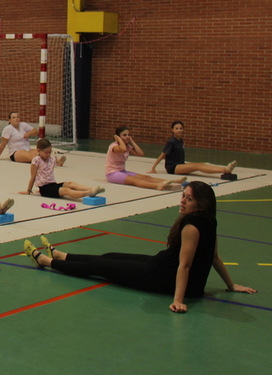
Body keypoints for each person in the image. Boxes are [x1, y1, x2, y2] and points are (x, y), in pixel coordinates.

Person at [24, 181, 257, 313]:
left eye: (188, 199)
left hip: (158, 276)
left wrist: (178, 299)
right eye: (183, 196)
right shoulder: (210, 220)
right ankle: (64, 255)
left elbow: (185, 266)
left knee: (100, 266)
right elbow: (214, 257)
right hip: (161, 264)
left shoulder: (192, 227)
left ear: (201, 205)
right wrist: (230, 285)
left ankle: (47, 261)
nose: (182, 201)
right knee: (111, 255)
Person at [21, 138, 104, 200]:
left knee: (70, 183)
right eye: (46, 152)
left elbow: (55, 162)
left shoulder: (51, 159)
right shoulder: (36, 160)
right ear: (39, 150)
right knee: (66, 191)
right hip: (44, 188)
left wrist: (59, 161)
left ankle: (92, 188)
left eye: (50, 152)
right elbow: (33, 176)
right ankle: (88, 193)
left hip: (53, 184)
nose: (48, 154)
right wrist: (29, 190)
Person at [149, 121, 237, 178]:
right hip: (173, 168)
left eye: (181, 128)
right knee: (197, 166)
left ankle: (224, 168)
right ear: (172, 130)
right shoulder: (171, 141)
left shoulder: (180, 140)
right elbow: (163, 155)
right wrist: (153, 167)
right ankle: (224, 170)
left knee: (201, 164)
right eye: (177, 129)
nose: (179, 130)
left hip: (180, 165)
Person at [107, 126, 180, 190]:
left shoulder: (127, 146)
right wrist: (118, 139)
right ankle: (157, 185)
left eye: (129, 135)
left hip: (122, 171)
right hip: (112, 173)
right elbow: (122, 149)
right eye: (124, 135)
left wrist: (131, 141)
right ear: (118, 137)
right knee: (134, 180)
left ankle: (171, 181)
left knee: (146, 177)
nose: (127, 137)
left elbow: (140, 153)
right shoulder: (114, 146)